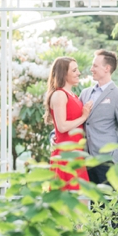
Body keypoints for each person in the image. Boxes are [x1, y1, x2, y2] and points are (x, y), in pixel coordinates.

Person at [79, 50, 118, 186]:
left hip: (107, 161)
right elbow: (75, 120)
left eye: (95, 66)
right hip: (85, 159)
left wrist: (115, 159)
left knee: (111, 205)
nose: (91, 69)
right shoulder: (85, 93)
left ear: (107, 68)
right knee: (91, 205)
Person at [45, 56, 93, 190]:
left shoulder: (73, 95)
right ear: (63, 73)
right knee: (68, 203)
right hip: (66, 155)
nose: (78, 73)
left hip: (76, 152)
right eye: (74, 70)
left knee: (81, 202)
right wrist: (83, 117)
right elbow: (62, 126)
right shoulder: (60, 95)